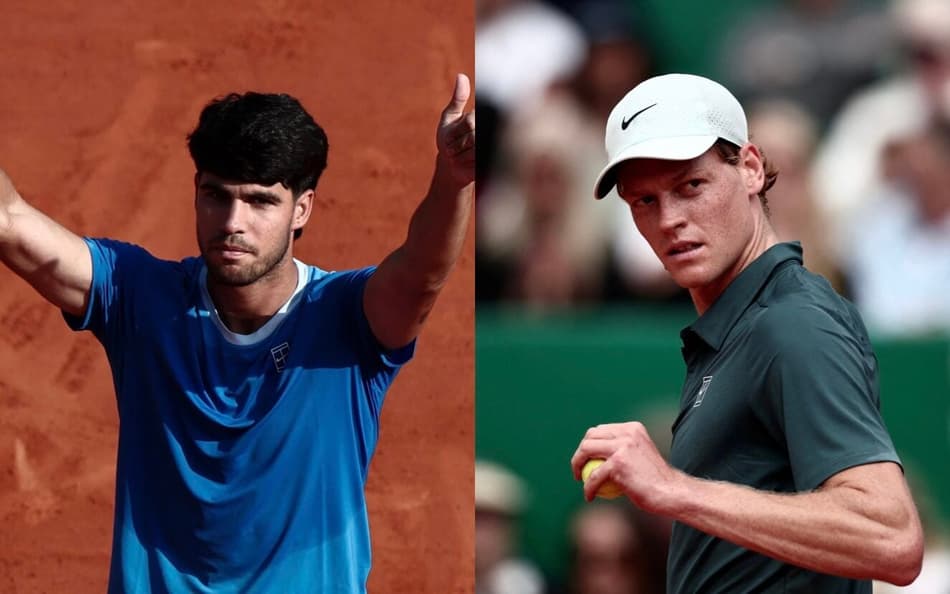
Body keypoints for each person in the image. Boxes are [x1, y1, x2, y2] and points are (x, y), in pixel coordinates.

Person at [0, 74, 474, 593]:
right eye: (216, 195)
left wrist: (453, 180)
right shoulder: (140, 297)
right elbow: (8, 221)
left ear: (302, 209)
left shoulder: (348, 318)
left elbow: (422, 273)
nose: (232, 222)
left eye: (259, 201)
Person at [570, 73, 924, 592]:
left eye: (691, 186)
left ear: (751, 168)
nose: (669, 219)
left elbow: (890, 538)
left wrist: (672, 488)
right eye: (644, 201)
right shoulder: (742, 328)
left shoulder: (793, 323)